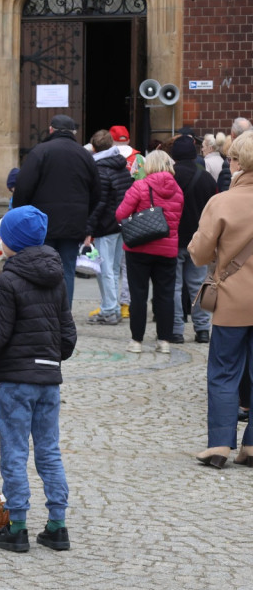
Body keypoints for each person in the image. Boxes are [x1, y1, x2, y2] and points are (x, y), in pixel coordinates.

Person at [0, 205, 76, 553]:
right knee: (49, 451)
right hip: (48, 379)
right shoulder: (57, 276)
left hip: (16, 381)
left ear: (9, 241)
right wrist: (48, 358)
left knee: (14, 452)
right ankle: (57, 526)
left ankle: (17, 528)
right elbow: (68, 337)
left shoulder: (7, 281)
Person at [188, 130, 253, 468]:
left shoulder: (222, 202)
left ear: (238, 163)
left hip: (231, 302)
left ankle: (219, 445)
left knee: (224, 372)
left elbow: (199, 254)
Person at [13, 114, 101, 305]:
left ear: (51, 130)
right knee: (67, 270)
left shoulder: (40, 151)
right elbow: (97, 192)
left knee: (42, 268)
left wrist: (21, 214)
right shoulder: (85, 155)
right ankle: (64, 314)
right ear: (73, 133)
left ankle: (43, 312)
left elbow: (24, 186)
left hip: (42, 223)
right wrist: (84, 215)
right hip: (74, 224)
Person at [115, 149, 184, 354]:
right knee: (165, 295)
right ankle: (164, 341)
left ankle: (137, 341)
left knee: (138, 295)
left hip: (139, 248)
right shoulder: (178, 190)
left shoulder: (140, 186)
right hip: (167, 249)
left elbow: (120, 214)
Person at [83, 130, 133, 326]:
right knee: (112, 268)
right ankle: (112, 307)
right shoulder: (121, 165)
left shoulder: (100, 169)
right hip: (121, 223)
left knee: (104, 269)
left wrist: (88, 229)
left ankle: (109, 310)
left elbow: (99, 204)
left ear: (94, 148)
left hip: (105, 225)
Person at [170, 135, 217, 344]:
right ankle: (203, 329)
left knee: (174, 286)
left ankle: (176, 330)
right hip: (199, 240)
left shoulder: (169, 176)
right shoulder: (206, 178)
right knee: (198, 285)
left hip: (173, 238)